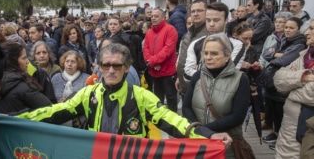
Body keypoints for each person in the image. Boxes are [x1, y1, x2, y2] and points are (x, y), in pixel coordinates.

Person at [14, 43, 233, 146]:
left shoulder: (141, 96)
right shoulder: (87, 94)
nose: (110, 70)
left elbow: (173, 121)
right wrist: (14, 120)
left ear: (127, 67)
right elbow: (55, 112)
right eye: (106, 65)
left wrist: (207, 134)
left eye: (117, 66)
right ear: (98, 66)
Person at [182, 33, 250, 158]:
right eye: (205, 53)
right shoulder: (198, 76)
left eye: (214, 53)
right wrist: (201, 132)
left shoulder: (240, 79)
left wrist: (203, 130)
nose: (208, 57)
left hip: (225, 144)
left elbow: (237, 116)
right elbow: (186, 107)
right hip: (199, 143)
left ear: (227, 56)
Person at [261, 17, 307, 150]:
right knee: (274, 111)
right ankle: (275, 133)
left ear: (299, 30)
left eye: (291, 28)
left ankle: (280, 138)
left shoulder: (299, 44)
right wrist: (277, 54)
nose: (287, 30)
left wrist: (275, 55)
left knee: (282, 114)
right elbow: (265, 53)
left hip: (283, 82)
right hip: (272, 80)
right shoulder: (282, 40)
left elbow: (284, 60)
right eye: (286, 27)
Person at [272, 19, 314, 158]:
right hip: (289, 131)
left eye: (312, 29)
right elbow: (278, 79)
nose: (306, 32)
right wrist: (303, 77)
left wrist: (293, 89)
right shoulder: (304, 55)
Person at [0, 41, 52, 114]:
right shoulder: (23, 87)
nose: (27, 62)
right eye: (24, 58)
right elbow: (49, 110)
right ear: (12, 61)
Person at [257, 11, 293, 129]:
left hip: (279, 72)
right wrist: (261, 65)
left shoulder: (288, 39)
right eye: (276, 22)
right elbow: (265, 53)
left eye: (282, 22)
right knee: (266, 97)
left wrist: (273, 54)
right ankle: (268, 121)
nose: (278, 24)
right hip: (267, 70)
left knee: (277, 102)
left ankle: (276, 127)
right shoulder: (271, 37)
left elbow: (285, 56)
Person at [143, 8, 178, 112]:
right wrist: (152, 63)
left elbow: (168, 50)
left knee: (171, 98)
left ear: (163, 18)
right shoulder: (149, 33)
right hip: (154, 71)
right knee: (158, 98)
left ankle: (173, 122)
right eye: (152, 16)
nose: (153, 18)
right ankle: (161, 120)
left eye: (156, 16)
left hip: (167, 71)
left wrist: (153, 61)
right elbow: (146, 49)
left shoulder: (170, 30)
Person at [176, 0, 209, 96]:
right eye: (193, 11)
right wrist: (179, 77)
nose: (195, 14)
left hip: (200, 89)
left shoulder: (209, 34)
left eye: (199, 11)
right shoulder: (188, 33)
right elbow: (182, 58)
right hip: (185, 85)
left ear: (207, 12)